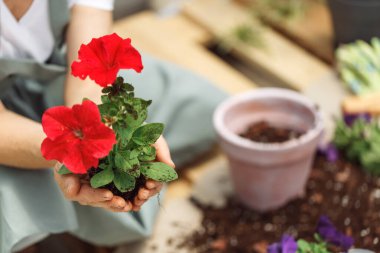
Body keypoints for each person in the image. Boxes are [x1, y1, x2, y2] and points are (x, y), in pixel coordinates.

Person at [0, 0, 226, 253]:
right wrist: (69, 154)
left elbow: (87, 76)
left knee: (209, 110)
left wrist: (104, 131)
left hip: (56, 85)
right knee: (16, 227)